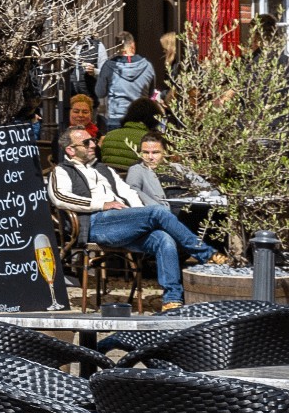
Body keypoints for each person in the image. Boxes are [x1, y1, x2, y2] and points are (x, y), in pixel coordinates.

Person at [49, 124, 214, 308]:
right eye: (87, 142)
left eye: (93, 140)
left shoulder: (105, 169)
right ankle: (205, 254)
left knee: (164, 238)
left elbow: (128, 192)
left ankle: (172, 300)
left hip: (123, 222)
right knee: (158, 211)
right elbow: (60, 198)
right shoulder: (62, 171)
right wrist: (101, 204)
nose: (93, 145)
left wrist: (139, 214)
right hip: (95, 224)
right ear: (70, 150)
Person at [96, 34, 159, 125]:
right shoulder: (148, 66)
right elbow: (150, 94)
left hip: (116, 117)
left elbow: (100, 93)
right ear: (133, 45)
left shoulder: (108, 66)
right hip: (140, 118)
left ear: (116, 48)